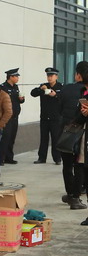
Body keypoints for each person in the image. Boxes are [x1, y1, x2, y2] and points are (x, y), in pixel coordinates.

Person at [59, 60, 88, 210]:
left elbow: (59, 108)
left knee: (70, 164)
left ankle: (72, 194)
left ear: (78, 75)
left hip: (70, 131)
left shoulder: (66, 89)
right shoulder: (82, 91)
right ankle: (74, 196)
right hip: (79, 132)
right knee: (78, 165)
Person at [31, 67, 63, 165]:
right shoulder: (44, 86)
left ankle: (57, 158)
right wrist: (40, 89)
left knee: (56, 139)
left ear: (56, 76)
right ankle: (42, 158)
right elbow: (33, 93)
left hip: (55, 118)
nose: (49, 78)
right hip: (44, 117)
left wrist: (56, 95)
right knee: (44, 139)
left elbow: (64, 98)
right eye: (48, 76)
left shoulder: (61, 87)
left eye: (51, 76)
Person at [0, 68, 24, 165]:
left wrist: (21, 99)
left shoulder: (16, 87)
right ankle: (0, 158)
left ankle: (9, 158)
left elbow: (18, 100)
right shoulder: (3, 87)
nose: (17, 78)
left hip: (15, 117)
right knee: (5, 138)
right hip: (6, 117)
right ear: (11, 77)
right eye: (16, 76)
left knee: (11, 138)